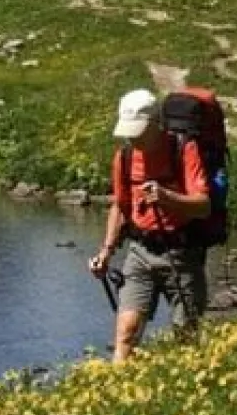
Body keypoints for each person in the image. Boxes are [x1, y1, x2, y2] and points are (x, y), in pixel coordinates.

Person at [89, 88, 210, 363]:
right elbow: (120, 206)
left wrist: (167, 197)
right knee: (126, 333)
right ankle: (119, 395)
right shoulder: (125, 157)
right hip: (140, 252)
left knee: (186, 336)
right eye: (129, 132)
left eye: (139, 132)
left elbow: (203, 205)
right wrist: (106, 253)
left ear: (157, 125)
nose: (133, 138)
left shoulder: (184, 150)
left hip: (182, 253)